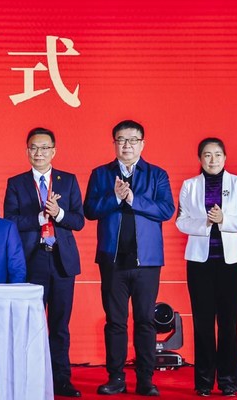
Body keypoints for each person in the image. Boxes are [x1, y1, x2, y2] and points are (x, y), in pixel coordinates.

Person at [84, 120, 175, 396]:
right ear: (114, 143)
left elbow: (166, 210)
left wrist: (134, 199)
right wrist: (114, 197)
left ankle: (146, 379)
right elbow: (90, 210)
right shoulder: (101, 174)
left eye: (133, 140)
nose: (127, 145)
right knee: (115, 321)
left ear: (142, 144)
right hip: (112, 261)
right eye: (121, 140)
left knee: (146, 321)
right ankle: (116, 378)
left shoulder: (157, 174)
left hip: (147, 261)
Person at [4, 127, 84, 398]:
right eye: (34, 148)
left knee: (60, 325)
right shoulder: (16, 183)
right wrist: (40, 217)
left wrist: (58, 213)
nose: (39, 153)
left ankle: (61, 380)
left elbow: (79, 221)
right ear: (27, 151)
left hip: (62, 261)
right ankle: (28, 379)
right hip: (32, 259)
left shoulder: (68, 181)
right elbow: (10, 221)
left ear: (54, 151)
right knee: (29, 325)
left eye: (44, 148)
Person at [176, 137, 237, 397]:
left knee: (228, 323)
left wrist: (223, 219)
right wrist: (206, 223)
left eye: (218, 154)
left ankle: (229, 381)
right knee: (203, 323)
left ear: (225, 157)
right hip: (200, 264)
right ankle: (204, 382)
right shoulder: (189, 186)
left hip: (231, 263)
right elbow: (181, 222)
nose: (213, 160)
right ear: (200, 159)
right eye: (207, 155)